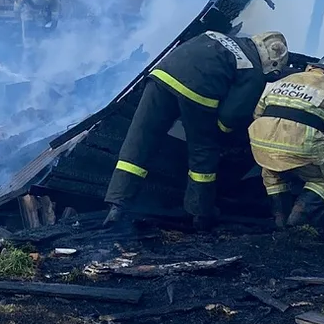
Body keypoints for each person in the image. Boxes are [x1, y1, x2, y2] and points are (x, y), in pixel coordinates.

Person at [102, 30, 289, 230]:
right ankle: (200, 214)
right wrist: (223, 134)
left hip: (161, 77)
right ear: (273, 63)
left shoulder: (217, 36)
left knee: (139, 140)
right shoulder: (253, 70)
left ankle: (117, 205)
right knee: (203, 153)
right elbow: (230, 116)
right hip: (198, 92)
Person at [248, 51, 324, 228]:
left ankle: (280, 221)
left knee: (272, 173)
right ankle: (298, 222)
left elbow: (257, 114)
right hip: (300, 147)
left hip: (260, 142)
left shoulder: (283, 80)